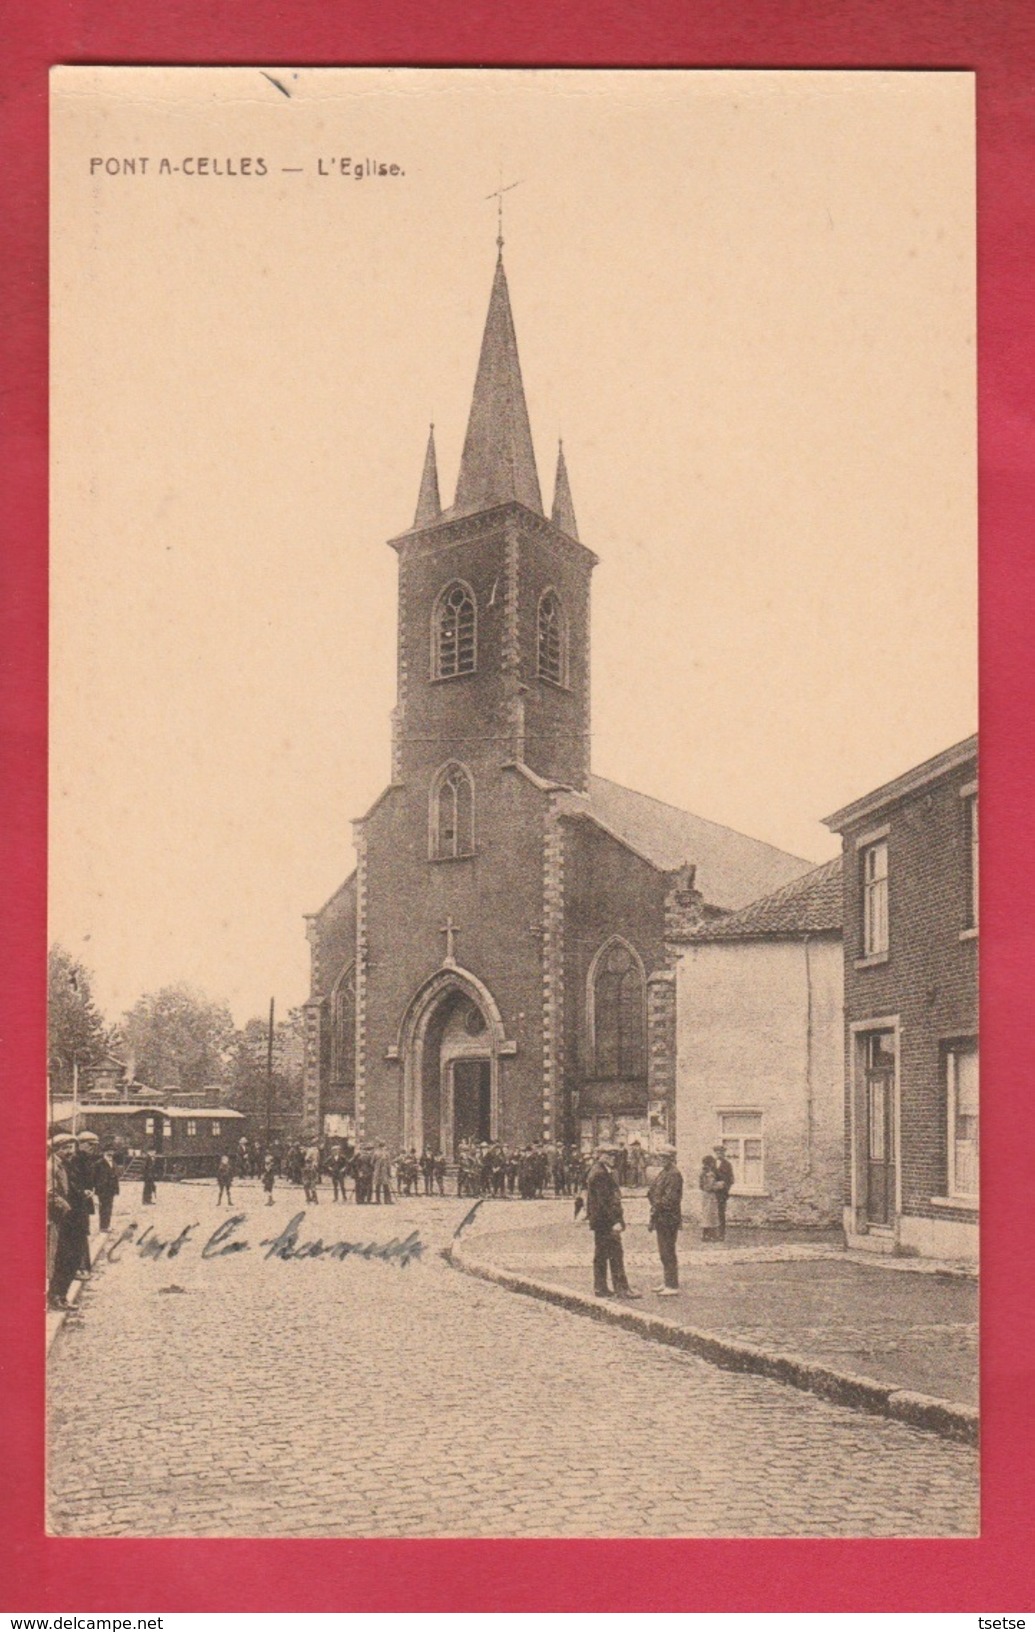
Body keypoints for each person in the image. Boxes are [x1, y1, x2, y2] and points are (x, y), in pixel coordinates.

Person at [584, 1146, 639, 1300]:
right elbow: (604, 1202)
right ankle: (622, 1289)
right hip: (606, 1222)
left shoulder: (598, 1170)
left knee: (601, 1255)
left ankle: (600, 1288)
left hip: (600, 1221)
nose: (612, 1158)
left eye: (614, 1155)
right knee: (616, 1254)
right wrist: (615, 1221)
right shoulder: (600, 1174)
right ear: (600, 1156)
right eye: (609, 1155)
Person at [47, 1135, 92, 1310]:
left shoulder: (66, 1164)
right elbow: (49, 1192)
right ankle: (55, 1297)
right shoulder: (51, 1166)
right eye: (66, 1148)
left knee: (73, 1258)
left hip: (74, 1219)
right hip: (63, 1219)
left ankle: (62, 1295)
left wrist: (82, 1194)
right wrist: (67, 1208)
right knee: (63, 1258)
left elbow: (71, 1187)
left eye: (71, 1147)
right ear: (57, 1148)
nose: (70, 1151)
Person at [647, 1144, 684, 1294]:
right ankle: (667, 1281)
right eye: (660, 1157)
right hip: (661, 1216)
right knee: (664, 1251)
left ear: (671, 1158)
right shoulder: (665, 1172)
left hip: (668, 1217)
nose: (661, 1160)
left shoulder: (674, 1174)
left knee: (668, 1251)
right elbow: (654, 1190)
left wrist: (656, 1203)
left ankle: (672, 1285)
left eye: (664, 1157)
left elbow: (671, 1199)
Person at [93, 1147, 120, 1231]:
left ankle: (107, 1225)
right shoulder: (98, 1163)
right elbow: (94, 1177)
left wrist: (116, 1189)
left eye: (112, 1151)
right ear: (104, 1152)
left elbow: (115, 1177)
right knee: (104, 1208)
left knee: (109, 1207)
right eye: (108, 1151)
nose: (110, 1153)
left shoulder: (114, 1163)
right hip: (103, 1189)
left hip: (111, 1189)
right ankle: (103, 1226)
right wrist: (97, 1187)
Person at [712, 1144, 735, 1241]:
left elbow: (731, 1179)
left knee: (721, 1213)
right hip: (711, 1193)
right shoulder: (711, 1164)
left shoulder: (727, 1164)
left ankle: (721, 1234)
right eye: (717, 1152)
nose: (719, 1154)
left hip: (722, 1193)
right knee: (711, 1213)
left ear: (724, 1153)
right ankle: (711, 1234)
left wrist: (724, 1186)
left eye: (721, 1152)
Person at [698, 1154, 720, 1241]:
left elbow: (701, 1186)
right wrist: (719, 1185)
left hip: (704, 1195)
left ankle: (705, 1235)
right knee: (711, 1216)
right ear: (710, 1164)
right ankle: (711, 1236)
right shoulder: (710, 1174)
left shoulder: (702, 1173)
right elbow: (710, 1187)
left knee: (706, 1215)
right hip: (710, 1196)